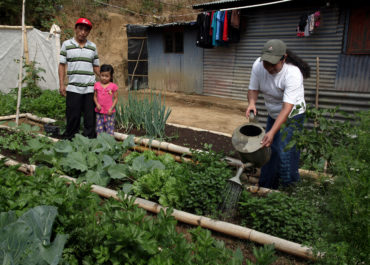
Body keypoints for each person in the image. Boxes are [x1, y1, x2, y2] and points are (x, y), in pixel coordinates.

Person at [245, 39, 311, 189]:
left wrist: (273, 132)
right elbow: (253, 89)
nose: (268, 68)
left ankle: (290, 189)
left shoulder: (292, 73)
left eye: (273, 64)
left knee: (285, 151)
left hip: (293, 115)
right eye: (266, 63)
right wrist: (252, 103)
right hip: (274, 113)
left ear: (284, 58)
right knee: (269, 150)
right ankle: (267, 185)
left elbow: (287, 108)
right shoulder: (257, 65)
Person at [58, 17, 100, 139]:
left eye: (86, 30)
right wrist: (61, 84)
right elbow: (62, 65)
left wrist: (106, 80)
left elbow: (96, 66)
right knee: (73, 117)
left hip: (90, 89)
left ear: (88, 32)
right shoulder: (66, 45)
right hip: (73, 88)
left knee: (90, 118)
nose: (83, 32)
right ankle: (70, 141)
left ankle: (89, 142)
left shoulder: (92, 46)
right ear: (75, 29)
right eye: (80, 29)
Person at [93, 64, 118, 136]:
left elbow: (116, 98)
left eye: (106, 76)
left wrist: (111, 108)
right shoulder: (96, 85)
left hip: (109, 112)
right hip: (99, 111)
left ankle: (109, 144)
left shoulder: (113, 86)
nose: (104, 78)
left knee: (109, 129)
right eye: (102, 75)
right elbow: (94, 97)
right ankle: (100, 144)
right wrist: (97, 104)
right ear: (100, 75)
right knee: (99, 129)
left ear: (111, 76)